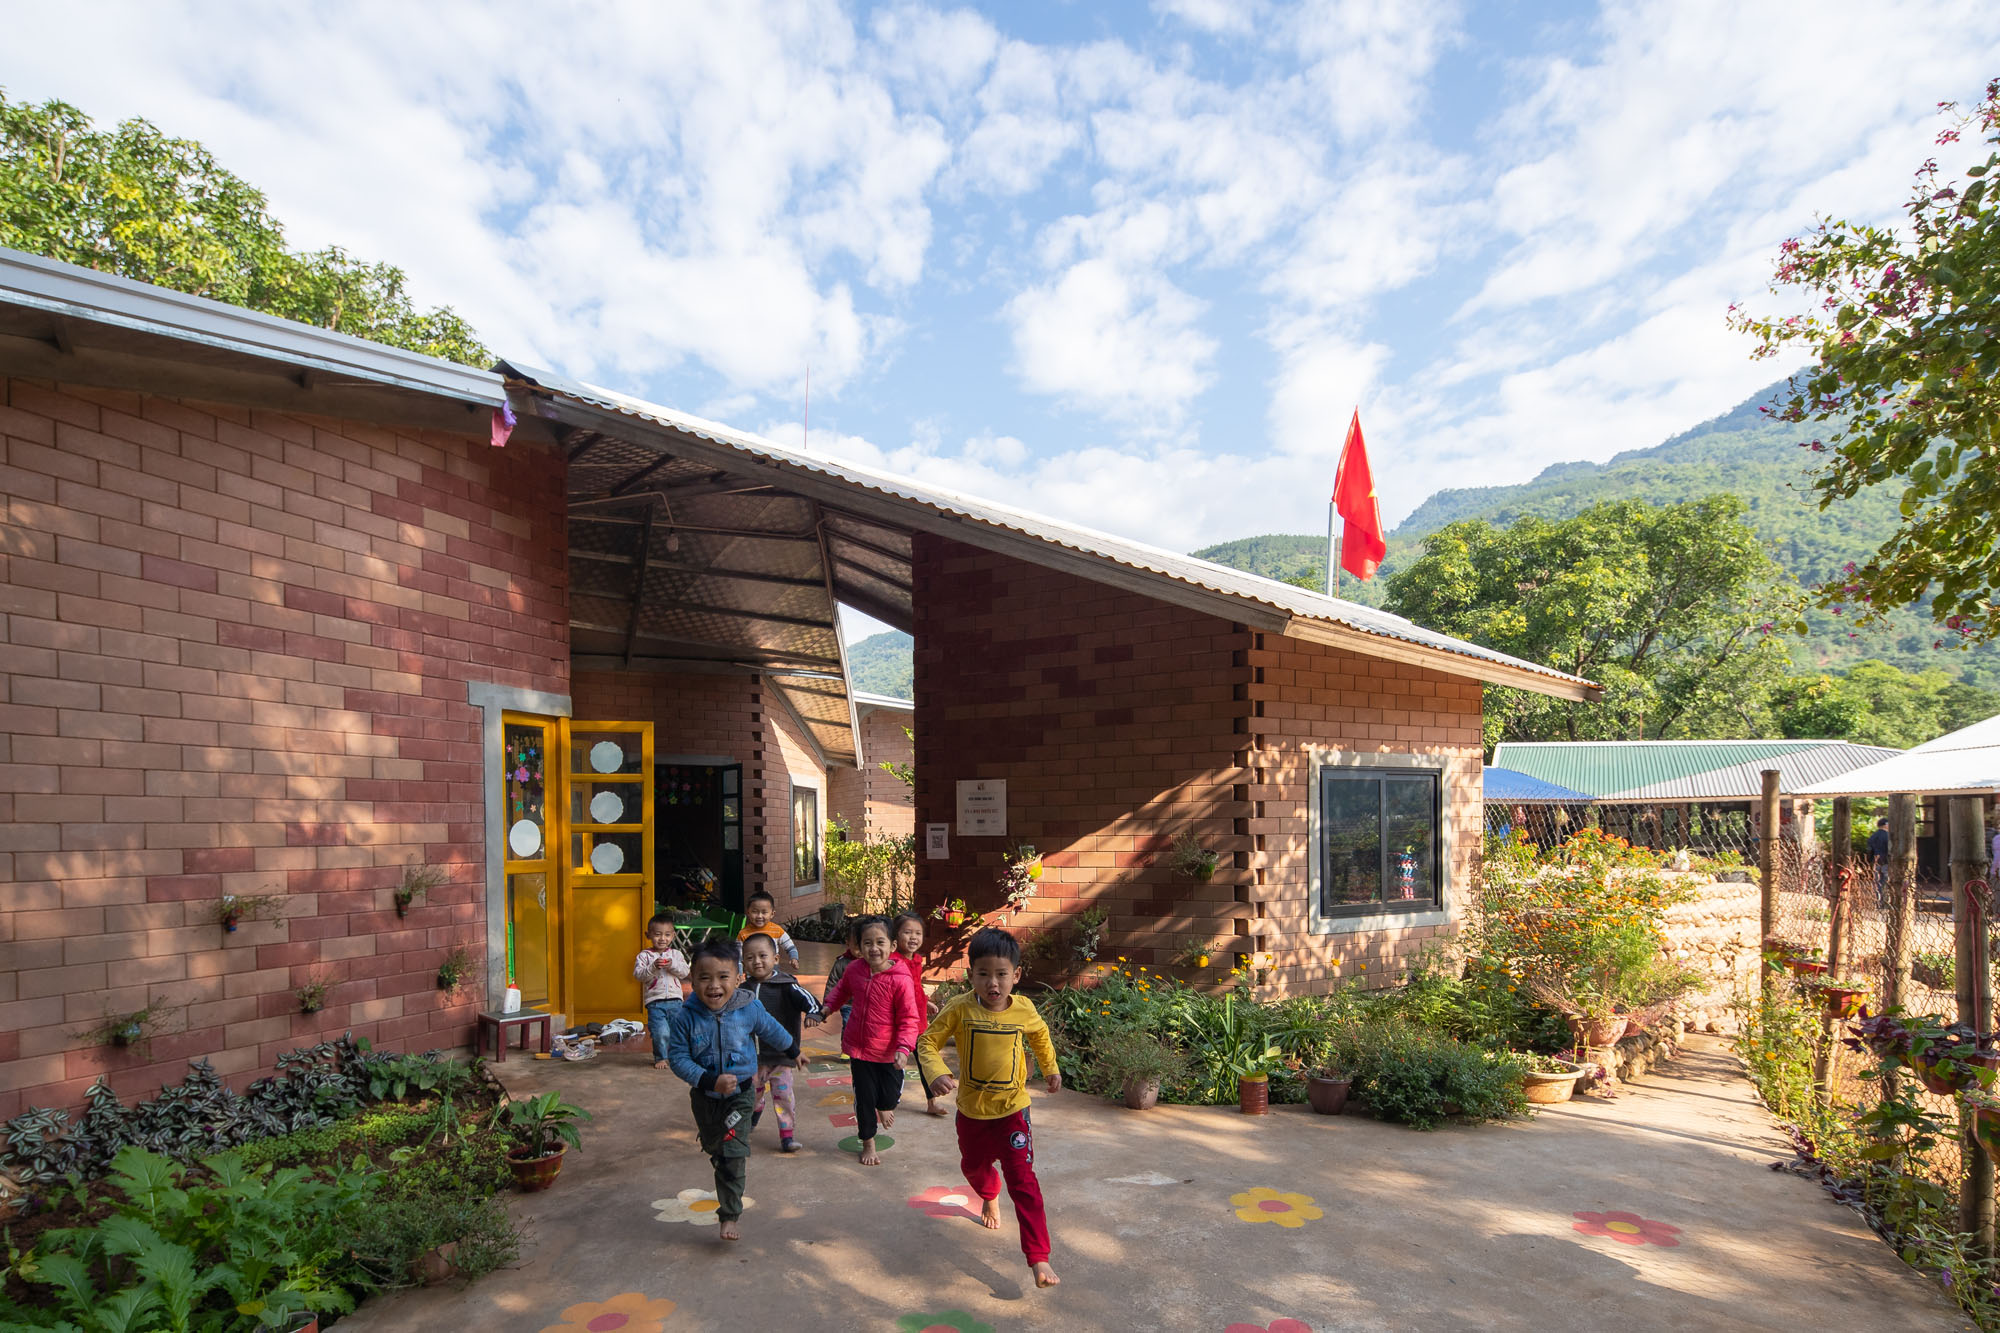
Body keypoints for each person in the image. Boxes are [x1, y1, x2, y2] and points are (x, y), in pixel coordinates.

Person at [916, 926, 1062, 1289]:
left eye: (1001, 975)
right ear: (971, 975)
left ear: (1016, 975)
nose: (993, 984)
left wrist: (1051, 1068)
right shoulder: (960, 1008)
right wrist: (936, 1073)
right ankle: (988, 1194)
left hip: (1014, 1110)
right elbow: (927, 1042)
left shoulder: (1024, 1009)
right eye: (983, 974)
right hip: (972, 1113)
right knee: (974, 1167)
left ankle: (1039, 1258)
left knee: (1025, 1182)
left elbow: (1041, 1036)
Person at [663, 939, 800, 1241]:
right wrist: (707, 1080)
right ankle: (718, 1151)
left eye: (723, 977)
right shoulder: (685, 1016)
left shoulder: (748, 1006)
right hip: (705, 1098)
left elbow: (771, 1029)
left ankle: (729, 1215)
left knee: (733, 1154)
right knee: (716, 1150)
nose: (714, 985)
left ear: (737, 978)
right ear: (692, 979)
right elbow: (678, 1058)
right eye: (704, 977)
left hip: (741, 1095)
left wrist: (793, 1049)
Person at [820, 915, 923, 1166]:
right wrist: (826, 1009)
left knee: (890, 1097)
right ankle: (868, 1141)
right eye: (867, 943)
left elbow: (910, 1018)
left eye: (880, 942)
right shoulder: (854, 969)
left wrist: (903, 1046)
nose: (873, 948)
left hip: (889, 1052)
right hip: (859, 1048)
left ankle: (885, 1105)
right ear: (859, 946)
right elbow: (841, 991)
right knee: (864, 1098)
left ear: (892, 946)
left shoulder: (900, 979)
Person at [739, 931, 822, 1153]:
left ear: (775, 959)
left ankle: (787, 1136)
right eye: (750, 958)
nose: (757, 961)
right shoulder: (742, 991)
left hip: (782, 1057)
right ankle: (753, 1116)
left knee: (783, 1097)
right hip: (752, 1058)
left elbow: (810, 1000)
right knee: (751, 1095)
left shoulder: (787, 985)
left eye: (762, 956)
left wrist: (814, 1013)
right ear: (743, 962)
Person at [891, 911, 949, 1116]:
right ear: (895, 936)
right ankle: (885, 1101)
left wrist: (926, 1002)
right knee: (894, 1064)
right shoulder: (892, 962)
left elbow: (915, 987)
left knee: (925, 1061)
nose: (913, 937)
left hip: (918, 1021)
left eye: (918, 933)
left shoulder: (916, 959)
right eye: (907, 932)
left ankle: (931, 1102)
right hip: (898, 1024)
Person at [634, 913, 690, 1070]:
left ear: (673, 935)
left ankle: (679, 1056)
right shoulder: (644, 956)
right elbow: (639, 975)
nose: (662, 939)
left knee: (677, 1031)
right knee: (660, 1032)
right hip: (655, 1002)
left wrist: (672, 965)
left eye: (667, 935)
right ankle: (661, 1057)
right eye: (657, 935)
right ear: (648, 935)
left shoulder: (676, 955)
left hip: (676, 1001)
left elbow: (685, 972)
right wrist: (652, 967)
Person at [738, 890, 800, 968]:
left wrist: (794, 958)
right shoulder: (743, 934)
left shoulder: (777, 930)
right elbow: (738, 957)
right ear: (748, 913)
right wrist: (739, 973)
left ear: (772, 914)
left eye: (764, 912)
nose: (759, 916)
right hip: (752, 972)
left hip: (773, 971)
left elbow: (790, 946)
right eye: (755, 912)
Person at [823, 916, 866, 1025]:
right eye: (856, 946)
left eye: (865, 944)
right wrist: (826, 1006)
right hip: (848, 1005)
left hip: (868, 1004)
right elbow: (832, 983)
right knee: (848, 1025)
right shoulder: (842, 963)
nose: (861, 951)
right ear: (848, 943)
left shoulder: (874, 963)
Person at [1867, 816, 1891, 907]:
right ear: (1886, 825)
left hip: (1875, 861)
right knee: (1886, 881)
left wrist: (1870, 861)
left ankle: (1878, 901)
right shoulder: (1889, 836)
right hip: (1886, 861)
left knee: (1877, 882)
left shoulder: (1873, 836)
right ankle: (1886, 901)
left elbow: (1869, 850)